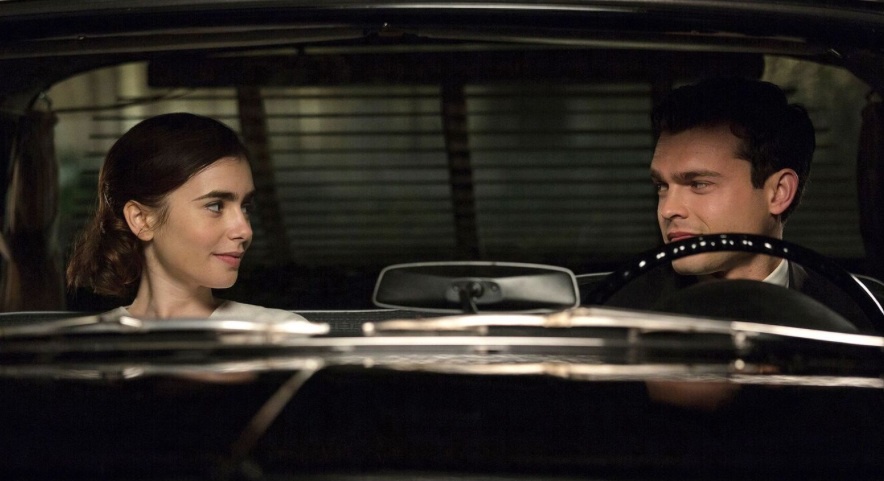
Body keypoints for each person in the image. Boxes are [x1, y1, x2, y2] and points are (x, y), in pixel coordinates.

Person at [604, 77, 876, 333]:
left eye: (698, 184)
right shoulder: (617, 313)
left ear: (778, 193)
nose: (667, 209)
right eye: (662, 186)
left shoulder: (859, 313)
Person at [66, 112, 328, 332]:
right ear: (142, 219)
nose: (244, 230)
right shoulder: (90, 345)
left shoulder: (280, 334)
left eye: (245, 207)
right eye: (215, 206)